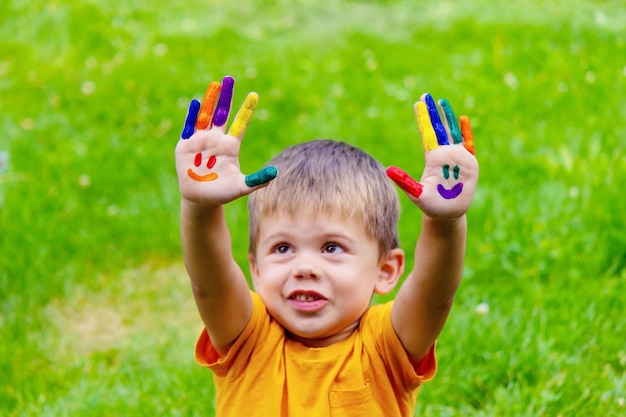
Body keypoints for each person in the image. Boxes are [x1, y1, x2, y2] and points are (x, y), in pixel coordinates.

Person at [174, 75, 479, 416]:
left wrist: (447, 222)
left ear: (385, 270)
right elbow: (209, 285)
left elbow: (434, 295)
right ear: (256, 270)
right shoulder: (248, 340)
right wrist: (200, 207)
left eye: (331, 247)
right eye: (282, 248)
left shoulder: (385, 347)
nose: (304, 267)